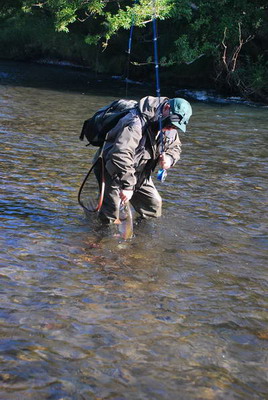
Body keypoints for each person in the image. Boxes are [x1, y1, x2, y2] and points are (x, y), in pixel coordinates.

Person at [94, 96, 192, 223]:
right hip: (113, 170)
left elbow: (175, 146)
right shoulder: (135, 121)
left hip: (139, 173)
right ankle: (98, 239)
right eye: (171, 125)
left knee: (153, 207)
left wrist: (170, 158)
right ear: (166, 108)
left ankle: (137, 239)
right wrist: (128, 186)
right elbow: (120, 154)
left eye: (176, 127)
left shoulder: (169, 126)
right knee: (111, 214)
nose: (171, 129)